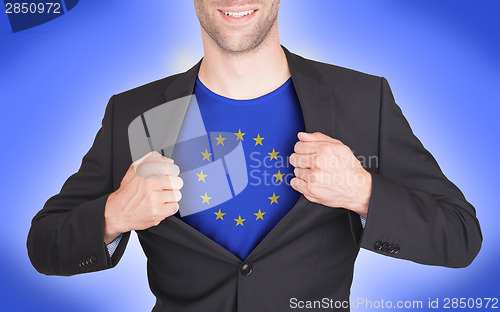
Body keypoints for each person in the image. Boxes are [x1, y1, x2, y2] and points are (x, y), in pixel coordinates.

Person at [27, 1, 482, 311]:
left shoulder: (362, 100)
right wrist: (114, 214)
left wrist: (363, 191)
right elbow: (44, 245)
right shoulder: (136, 113)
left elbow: (460, 236)